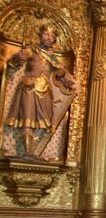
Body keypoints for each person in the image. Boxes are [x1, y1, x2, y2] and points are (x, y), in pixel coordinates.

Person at [5, 24, 76, 156]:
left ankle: (35, 150)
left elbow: (59, 73)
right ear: (41, 35)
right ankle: (27, 151)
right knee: (28, 118)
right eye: (46, 34)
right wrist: (19, 57)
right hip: (30, 88)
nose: (48, 38)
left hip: (45, 91)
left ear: (54, 39)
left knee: (47, 122)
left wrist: (66, 79)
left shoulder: (52, 57)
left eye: (52, 36)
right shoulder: (32, 50)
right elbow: (15, 61)